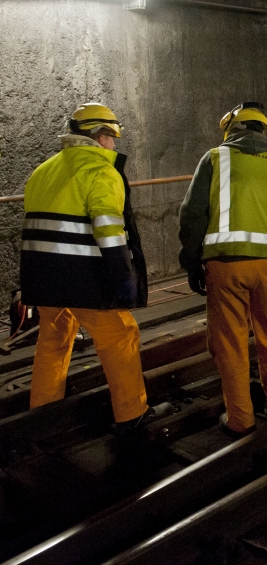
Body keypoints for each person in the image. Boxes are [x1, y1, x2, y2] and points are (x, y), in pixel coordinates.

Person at [21, 102, 151, 431]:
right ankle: (131, 414)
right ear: (101, 136)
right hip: (84, 278)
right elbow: (109, 231)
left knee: (54, 337)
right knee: (121, 335)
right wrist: (123, 278)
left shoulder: (43, 170)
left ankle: (43, 413)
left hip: (41, 279)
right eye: (112, 137)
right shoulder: (100, 171)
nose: (113, 145)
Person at [179, 102, 267, 437]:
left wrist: (192, 261)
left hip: (224, 267)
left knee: (231, 345)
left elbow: (192, 215)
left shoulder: (215, 158)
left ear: (232, 130)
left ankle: (240, 421)